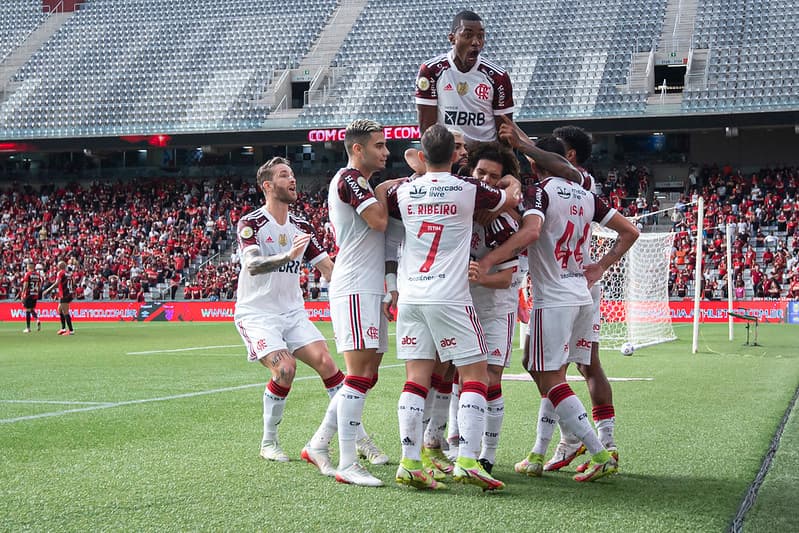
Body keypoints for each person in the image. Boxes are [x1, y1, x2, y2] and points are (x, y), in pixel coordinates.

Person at [478, 135, 639, 482]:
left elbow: (532, 231)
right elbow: (630, 231)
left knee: (549, 375)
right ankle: (545, 449)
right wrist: (602, 265)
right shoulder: (586, 193)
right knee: (543, 369)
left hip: (553, 297)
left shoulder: (540, 192)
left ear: (537, 163)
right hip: (581, 293)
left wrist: (491, 257)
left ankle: (596, 450)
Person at [386, 125, 519, 491]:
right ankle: (467, 460)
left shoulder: (404, 191)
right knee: (475, 376)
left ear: (423, 156)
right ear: (458, 157)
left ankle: (410, 461)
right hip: (450, 295)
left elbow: (393, 187)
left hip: (412, 295)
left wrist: (418, 164)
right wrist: (509, 183)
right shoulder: (469, 190)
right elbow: (507, 201)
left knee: (416, 379)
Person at [233, 157, 342, 477]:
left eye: (293, 174)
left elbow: (329, 270)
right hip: (257, 313)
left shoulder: (302, 226)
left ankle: (356, 437)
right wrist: (287, 256)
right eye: (284, 175)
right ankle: (269, 442)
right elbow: (252, 265)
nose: (292, 179)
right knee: (285, 369)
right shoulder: (250, 222)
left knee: (329, 365)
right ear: (268, 186)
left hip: (293, 312)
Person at [540, 125, 620, 473]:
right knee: (584, 366)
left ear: (568, 157)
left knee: (549, 369)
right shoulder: (583, 188)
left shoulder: (577, 182)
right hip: (580, 284)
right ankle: (600, 442)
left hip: (565, 286)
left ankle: (584, 441)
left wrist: (600, 265)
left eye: (553, 151)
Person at [326, 119, 392, 487]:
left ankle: (319, 443)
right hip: (353, 285)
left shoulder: (362, 182)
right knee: (357, 375)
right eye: (379, 146)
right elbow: (379, 221)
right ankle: (348, 461)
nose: (386, 152)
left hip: (369, 287)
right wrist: (385, 190)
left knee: (369, 374)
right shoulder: (351, 179)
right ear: (357, 149)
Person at [415, 10, 513, 144]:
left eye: (481, 36)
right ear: (452, 38)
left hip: (484, 155)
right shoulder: (431, 70)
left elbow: (504, 131)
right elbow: (427, 130)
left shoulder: (498, 76)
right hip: (449, 154)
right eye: (468, 35)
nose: (476, 42)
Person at [42, 261, 75, 336]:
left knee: (65, 312)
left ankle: (71, 330)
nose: (56, 266)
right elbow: (68, 283)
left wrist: (48, 290)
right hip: (68, 293)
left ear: (60, 266)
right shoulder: (68, 274)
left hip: (65, 294)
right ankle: (63, 328)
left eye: (57, 265)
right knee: (59, 310)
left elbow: (57, 283)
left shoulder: (60, 273)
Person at [20, 261, 43, 333]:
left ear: (29, 267)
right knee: (32, 309)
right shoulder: (38, 275)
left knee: (27, 310)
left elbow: (25, 285)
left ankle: (28, 328)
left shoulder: (28, 274)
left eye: (27, 266)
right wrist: (36, 292)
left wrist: (23, 293)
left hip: (28, 294)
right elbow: (39, 286)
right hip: (35, 294)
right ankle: (37, 320)